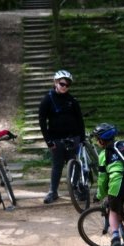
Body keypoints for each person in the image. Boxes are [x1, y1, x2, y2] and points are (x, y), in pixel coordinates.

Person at [37, 70, 86, 204]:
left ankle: (75, 188)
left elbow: (79, 119)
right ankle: (53, 192)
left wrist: (82, 138)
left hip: (73, 138)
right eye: (62, 83)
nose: (64, 86)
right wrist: (48, 140)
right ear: (55, 83)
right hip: (56, 139)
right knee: (57, 166)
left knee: (74, 165)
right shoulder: (47, 99)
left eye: (67, 84)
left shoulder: (72, 100)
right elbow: (42, 121)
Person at [93, 123, 124, 246]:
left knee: (114, 211)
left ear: (101, 141)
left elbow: (102, 179)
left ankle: (115, 238)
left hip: (117, 186)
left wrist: (99, 195)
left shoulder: (104, 154)